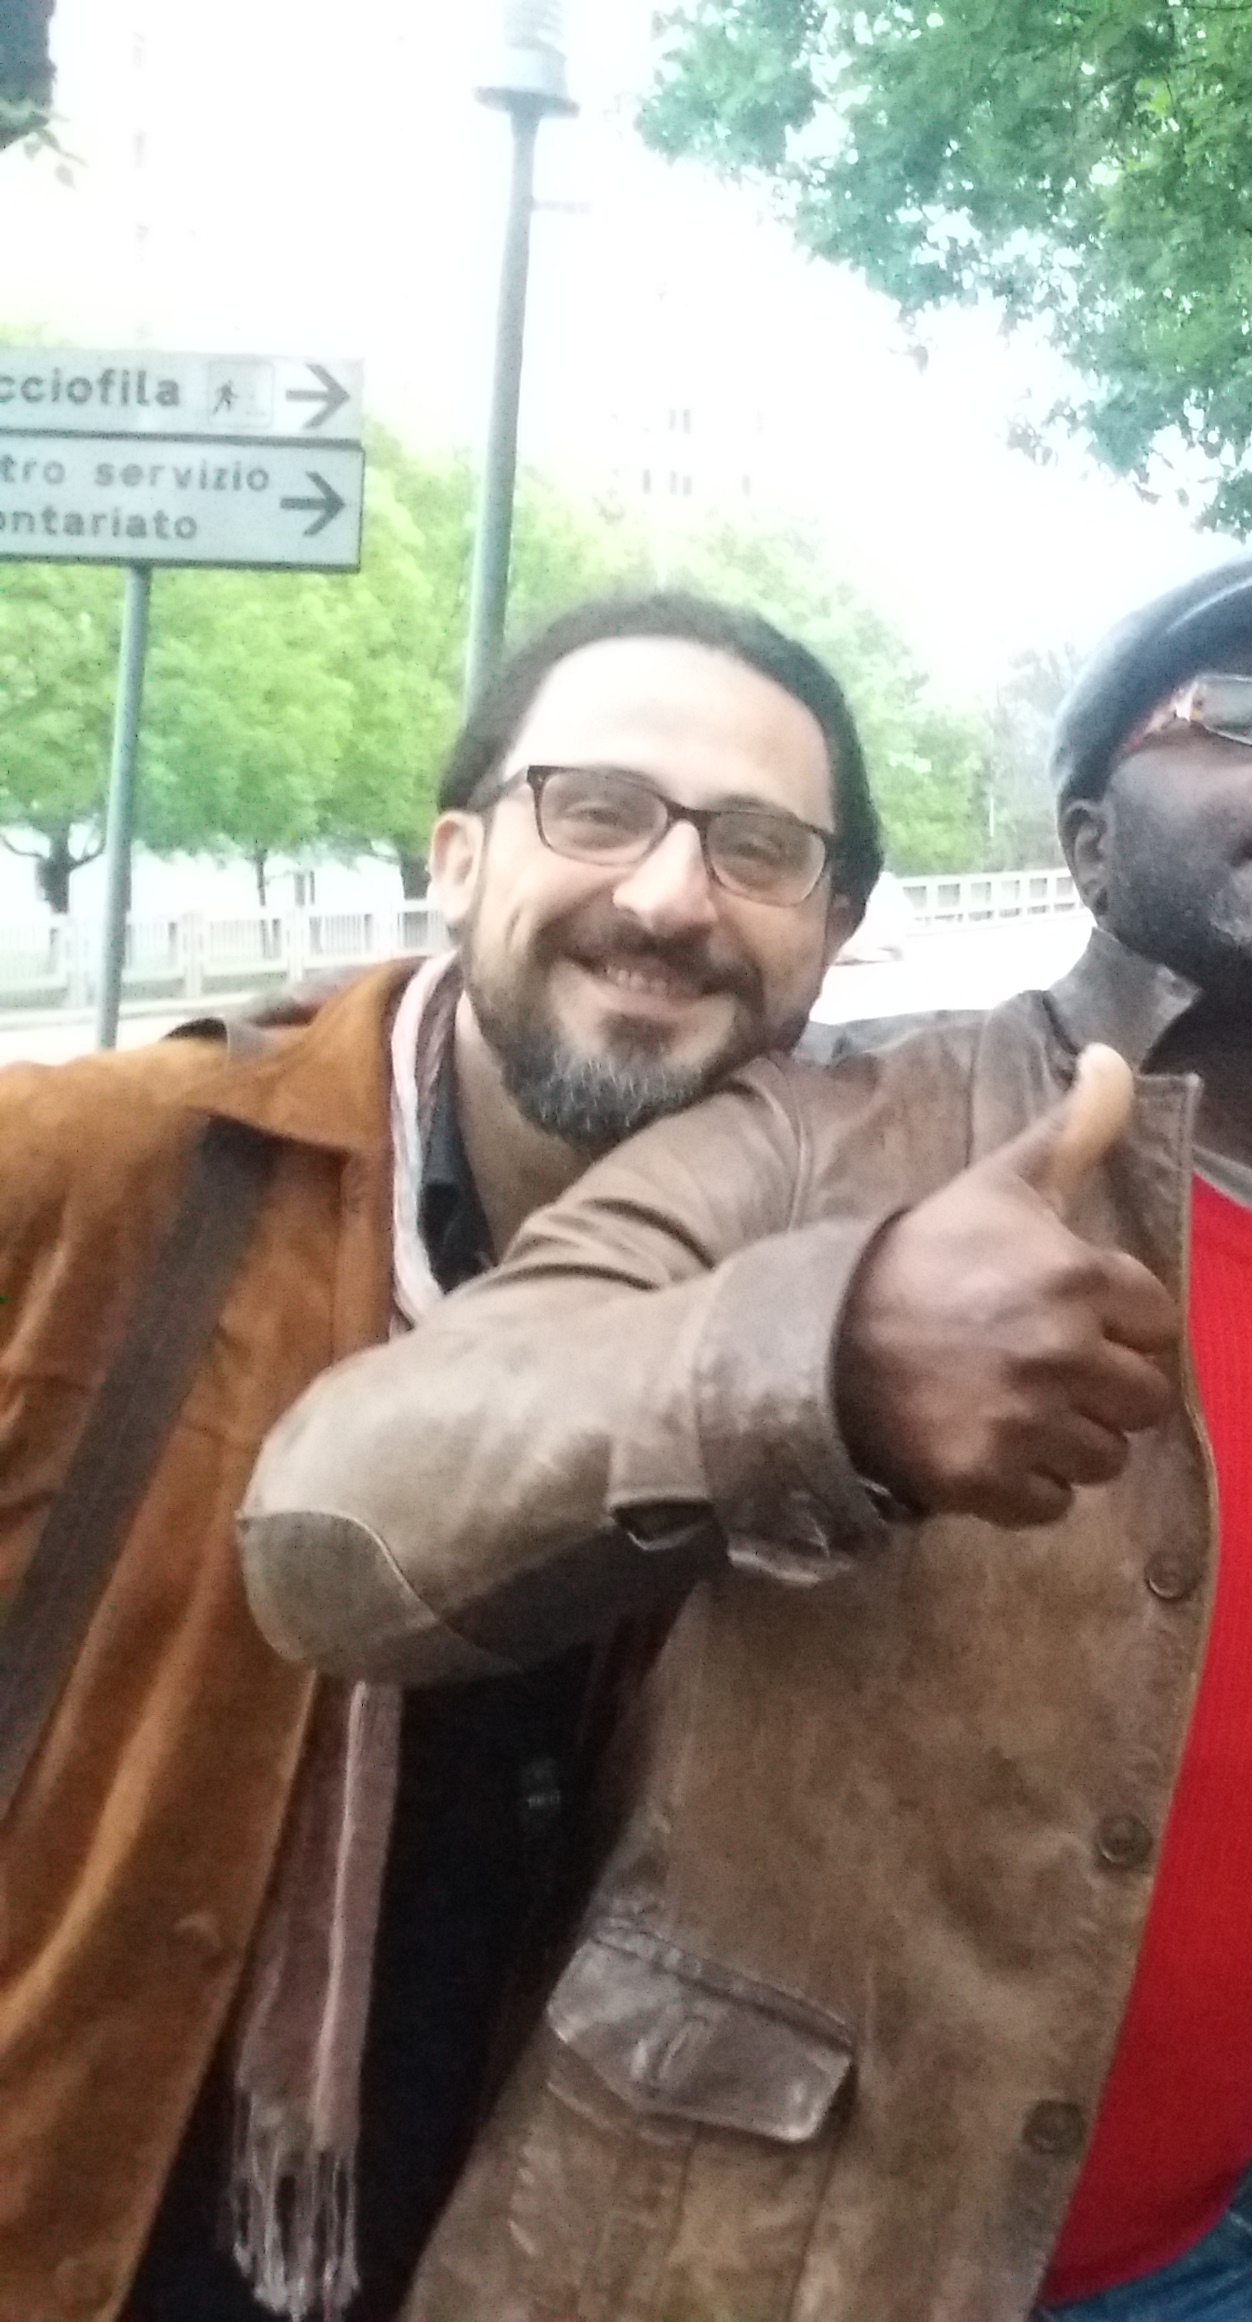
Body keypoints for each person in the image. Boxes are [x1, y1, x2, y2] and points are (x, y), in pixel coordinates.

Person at [238, 549, 1252, 2322]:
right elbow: (335, 1521)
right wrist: (823, 1362)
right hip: (729, 2275)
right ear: (1089, 841)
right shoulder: (821, 1138)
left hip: (1217, 2261)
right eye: (1243, 713)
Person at [0, 594, 876, 2322]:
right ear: (458, 858)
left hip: (503, 2237)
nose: (669, 895)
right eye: (598, 809)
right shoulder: (91, 1177)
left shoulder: (831, 1296)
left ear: (836, 927)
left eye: (758, 848)